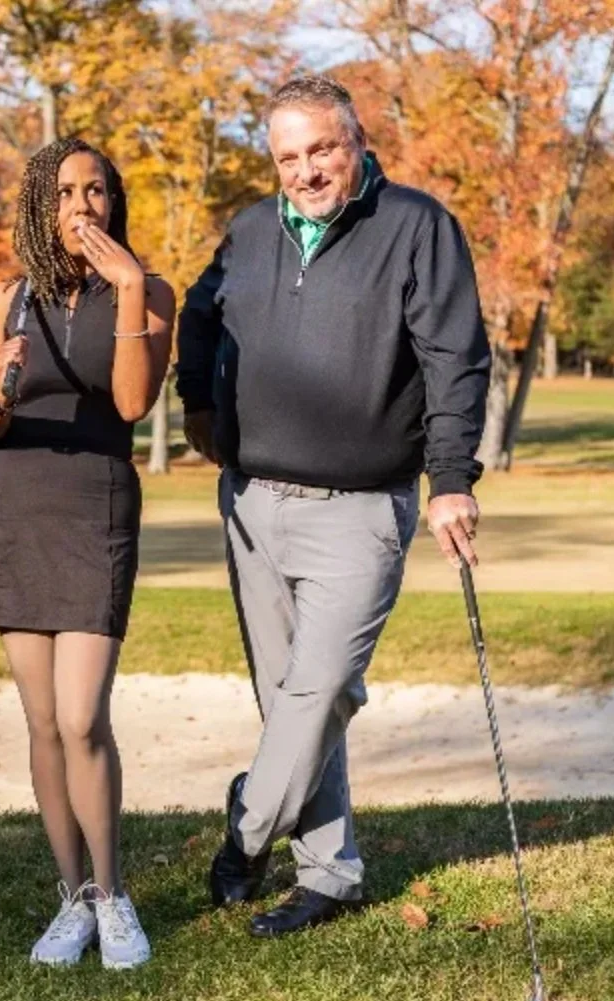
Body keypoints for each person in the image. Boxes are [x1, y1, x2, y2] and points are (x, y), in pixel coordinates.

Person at [175, 75, 491, 938]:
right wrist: (198, 405)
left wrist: (452, 477)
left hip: (361, 507)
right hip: (251, 503)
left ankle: (247, 829)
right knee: (287, 701)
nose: (307, 170)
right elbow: (198, 318)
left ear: (356, 140)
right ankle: (328, 873)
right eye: (289, 156)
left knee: (317, 695)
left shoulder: (417, 225)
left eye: (322, 148)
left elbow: (454, 359)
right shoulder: (246, 231)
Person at [0, 138, 175, 969]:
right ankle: (73, 895)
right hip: (13, 507)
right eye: (65, 193)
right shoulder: (0, 300)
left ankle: (114, 894)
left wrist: (124, 286)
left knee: (85, 716)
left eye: (96, 191)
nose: (82, 206)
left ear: (114, 204)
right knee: (44, 722)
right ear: (39, 209)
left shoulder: (149, 292)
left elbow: (130, 401)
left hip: (95, 504)